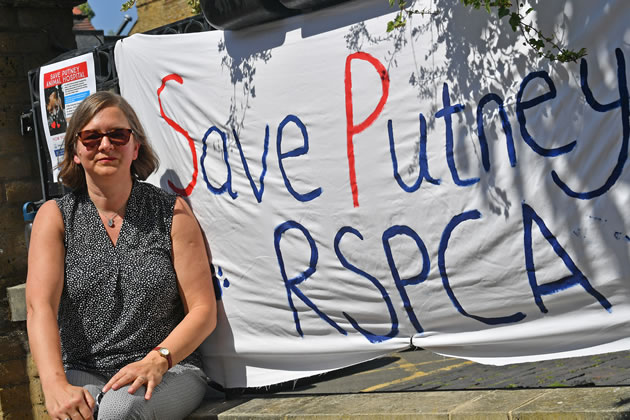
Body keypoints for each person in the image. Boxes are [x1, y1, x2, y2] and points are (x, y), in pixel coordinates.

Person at [26, 91, 217, 420]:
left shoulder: (171, 213)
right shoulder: (56, 217)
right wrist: (54, 384)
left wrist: (159, 358)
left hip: (168, 368)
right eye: (91, 137)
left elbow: (203, 309)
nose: (105, 145)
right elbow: (38, 306)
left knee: (118, 413)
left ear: (135, 146)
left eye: (118, 135)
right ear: (75, 150)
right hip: (86, 371)